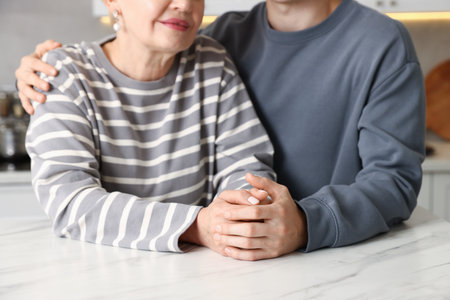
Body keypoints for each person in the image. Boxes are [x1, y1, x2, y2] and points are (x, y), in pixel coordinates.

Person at [16, 0, 426, 261]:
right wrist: (51, 67)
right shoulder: (220, 36)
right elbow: (69, 198)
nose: (183, 5)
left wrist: (291, 220)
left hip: (319, 260)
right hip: (169, 261)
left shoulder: (380, 42)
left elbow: (393, 181)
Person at [19, 0, 283, 258]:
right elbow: (71, 203)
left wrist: (240, 213)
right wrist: (198, 225)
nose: (184, 4)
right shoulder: (64, 74)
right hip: (100, 271)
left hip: (201, 269)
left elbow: (246, 169)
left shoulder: (212, 62)